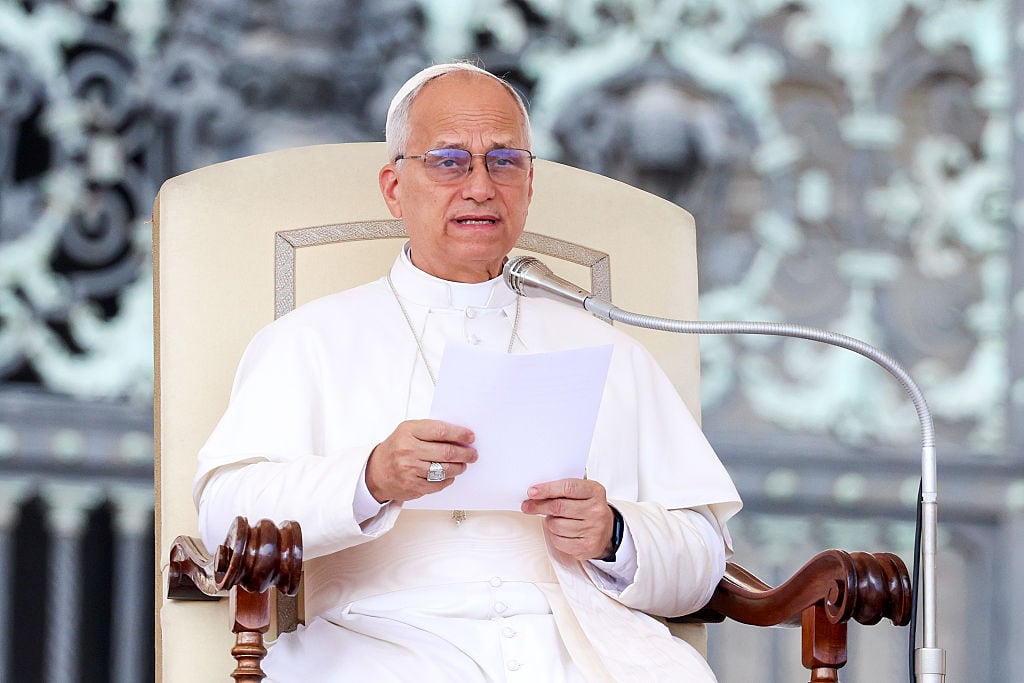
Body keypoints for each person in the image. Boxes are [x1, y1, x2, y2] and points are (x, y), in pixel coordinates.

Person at [194, 62, 742, 682]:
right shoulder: (307, 342)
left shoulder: (606, 348)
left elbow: (702, 558)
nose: (481, 186)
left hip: (585, 649)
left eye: (504, 161)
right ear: (395, 187)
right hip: (378, 645)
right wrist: (370, 476)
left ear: (530, 184)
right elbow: (222, 520)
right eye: (449, 160)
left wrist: (614, 534)